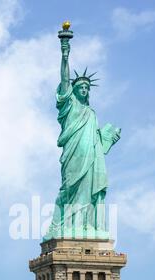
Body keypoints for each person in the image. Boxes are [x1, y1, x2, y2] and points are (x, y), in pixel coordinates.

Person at [44, 33, 121, 241]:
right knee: (70, 188)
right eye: (81, 87)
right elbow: (63, 79)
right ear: (74, 90)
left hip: (92, 159)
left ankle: (86, 226)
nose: (85, 90)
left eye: (87, 88)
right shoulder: (69, 107)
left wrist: (108, 140)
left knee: (88, 190)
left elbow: (98, 143)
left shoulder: (92, 114)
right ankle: (67, 225)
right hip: (73, 153)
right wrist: (65, 53)